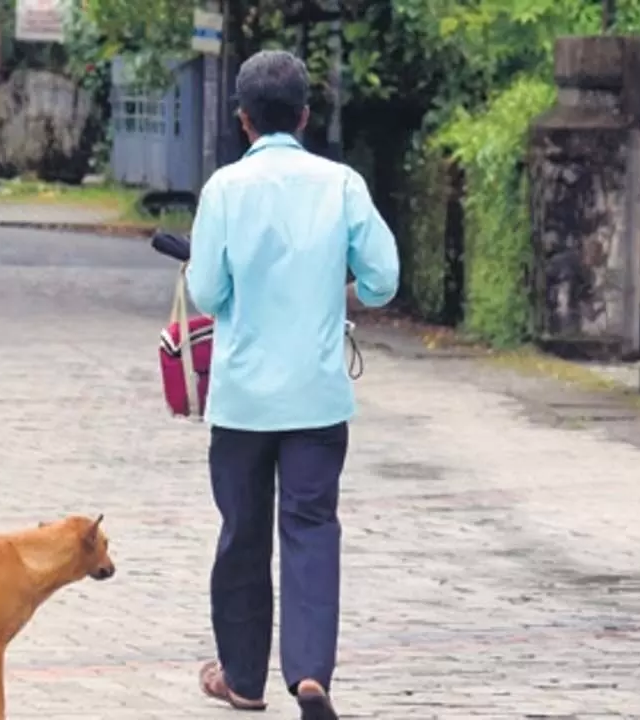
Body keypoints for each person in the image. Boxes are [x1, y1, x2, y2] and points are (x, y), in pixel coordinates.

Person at [186, 49, 399, 720]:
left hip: (243, 399)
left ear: (243, 120)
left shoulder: (224, 189)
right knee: (311, 528)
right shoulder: (341, 185)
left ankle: (243, 680)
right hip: (316, 397)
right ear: (305, 116)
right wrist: (345, 289)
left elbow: (205, 289)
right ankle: (310, 676)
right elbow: (384, 278)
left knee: (242, 533)